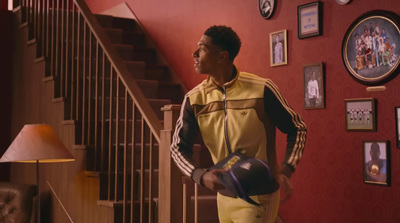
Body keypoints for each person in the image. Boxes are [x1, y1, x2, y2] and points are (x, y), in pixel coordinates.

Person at [170, 25, 307, 223]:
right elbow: (177, 147)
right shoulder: (194, 98)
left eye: (202, 48)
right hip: (223, 197)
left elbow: (297, 128)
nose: (195, 53)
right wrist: (200, 175)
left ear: (222, 56)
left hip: (258, 196)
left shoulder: (262, 90)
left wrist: (286, 170)